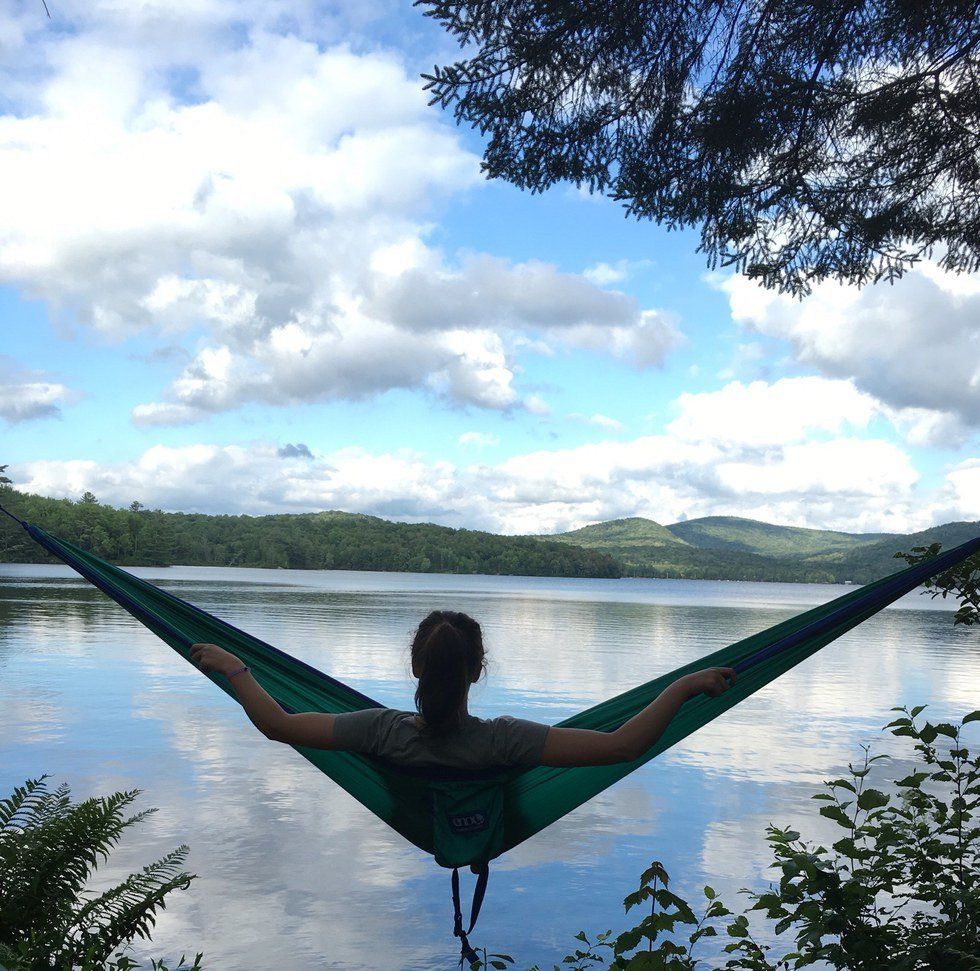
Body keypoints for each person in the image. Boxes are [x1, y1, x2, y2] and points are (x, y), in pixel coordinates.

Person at [190, 609, 736, 769]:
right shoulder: (505, 741)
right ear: (477, 670)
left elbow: (278, 725)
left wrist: (236, 669)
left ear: (415, 667)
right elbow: (623, 745)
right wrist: (684, 685)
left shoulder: (379, 732)